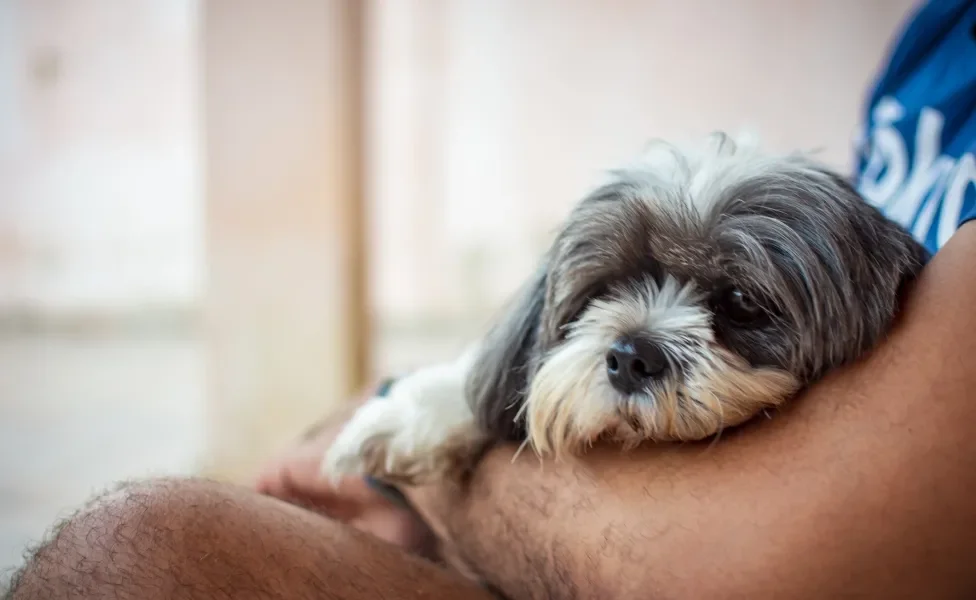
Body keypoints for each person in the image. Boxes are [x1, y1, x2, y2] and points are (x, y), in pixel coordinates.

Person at [5, 1, 975, 598]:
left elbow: (746, 573)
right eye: (609, 293)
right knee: (135, 547)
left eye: (734, 308)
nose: (641, 339)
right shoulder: (930, 42)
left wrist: (435, 448)